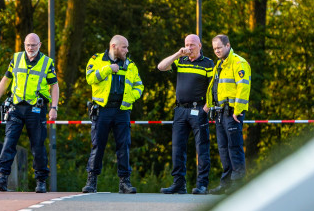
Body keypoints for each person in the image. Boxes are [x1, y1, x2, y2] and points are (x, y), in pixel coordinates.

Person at [0, 33, 60, 193]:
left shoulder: (47, 62)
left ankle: (41, 181)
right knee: (9, 141)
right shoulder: (17, 58)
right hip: (16, 106)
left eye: (34, 45)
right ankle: (2, 178)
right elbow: (6, 79)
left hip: (36, 108)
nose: (30, 48)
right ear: (24, 44)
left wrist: (54, 107)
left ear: (40, 45)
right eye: (28, 45)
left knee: (38, 145)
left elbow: (54, 86)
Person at [82, 35, 143, 194]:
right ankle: (91, 181)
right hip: (102, 110)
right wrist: (108, 69)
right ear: (114, 46)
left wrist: (131, 97)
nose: (127, 50)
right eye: (124, 47)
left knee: (124, 146)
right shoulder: (96, 60)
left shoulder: (130, 65)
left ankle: (124, 182)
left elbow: (139, 86)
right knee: (98, 145)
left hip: (122, 110)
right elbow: (89, 78)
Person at [156, 34, 216, 194]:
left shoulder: (208, 63)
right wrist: (177, 54)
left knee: (202, 148)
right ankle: (178, 184)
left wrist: (208, 107)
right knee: (177, 147)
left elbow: (214, 86)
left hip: (199, 109)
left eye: (192, 45)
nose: (189, 48)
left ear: (200, 46)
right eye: (187, 44)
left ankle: (202, 184)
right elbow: (161, 67)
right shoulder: (180, 61)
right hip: (180, 110)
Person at [207, 34, 251, 194]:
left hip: (233, 113)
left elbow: (243, 87)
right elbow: (215, 87)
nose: (216, 51)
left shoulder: (239, 63)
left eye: (219, 47)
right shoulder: (220, 65)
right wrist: (210, 106)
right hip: (220, 113)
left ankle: (237, 185)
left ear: (227, 45)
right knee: (223, 149)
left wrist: (238, 111)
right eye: (214, 49)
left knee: (234, 147)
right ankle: (226, 184)